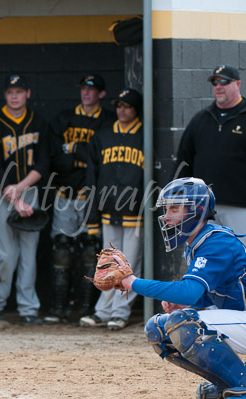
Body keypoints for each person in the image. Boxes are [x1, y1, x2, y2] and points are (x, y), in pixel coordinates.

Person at [121, 177, 246, 399]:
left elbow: (188, 290)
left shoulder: (217, 242)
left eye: (175, 208)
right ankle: (226, 384)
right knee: (157, 329)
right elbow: (217, 295)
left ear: (198, 210)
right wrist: (191, 302)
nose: (167, 216)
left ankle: (243, 386)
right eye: (166, 209)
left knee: (185, 325)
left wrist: (133, 282)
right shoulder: (195, 243)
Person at [44, 74, 116, 323]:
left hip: (90, 194)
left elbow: (98, 157)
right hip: (64, 191)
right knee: (61, 250)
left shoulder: (107, 120)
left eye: (91, 89)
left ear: (101, 94)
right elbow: (54, 155)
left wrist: (75, 149)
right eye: (83, 88)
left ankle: (87, 308)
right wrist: (81, 157)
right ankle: (59, 309)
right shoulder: (64, 117)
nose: (86, 93)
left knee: (90, 251)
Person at [80, 88, 144, 331]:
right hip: (108, 209)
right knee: (107, 264)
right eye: (118, 105)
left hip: (135, 212)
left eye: (127, 106)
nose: (122, 110)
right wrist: (92, 214)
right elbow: (92, 177)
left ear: (136, 109)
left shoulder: (145, 135)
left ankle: (120, 311)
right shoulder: (103, 135)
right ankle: (103, 311)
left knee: (129, 265)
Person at [0, 74, 50, 325]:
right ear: (4, 95)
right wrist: (13, 196)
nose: (14, 96)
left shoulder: (38, 120)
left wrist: (21, 190)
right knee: (6, 253)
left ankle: (28, 309)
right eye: (10, 92)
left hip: (29, 190)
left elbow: (43, 162)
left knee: (29, 253)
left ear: (27, 93)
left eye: (19, 91)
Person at [175, 64, 246, 244]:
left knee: (241, 256)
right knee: (205, 254)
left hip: (239, 206)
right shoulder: (201, 118)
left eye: (224, 81)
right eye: (214, 82)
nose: (218, 86)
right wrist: (177, 196)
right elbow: (184, 160)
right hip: (203, 206)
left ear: (238, 84)